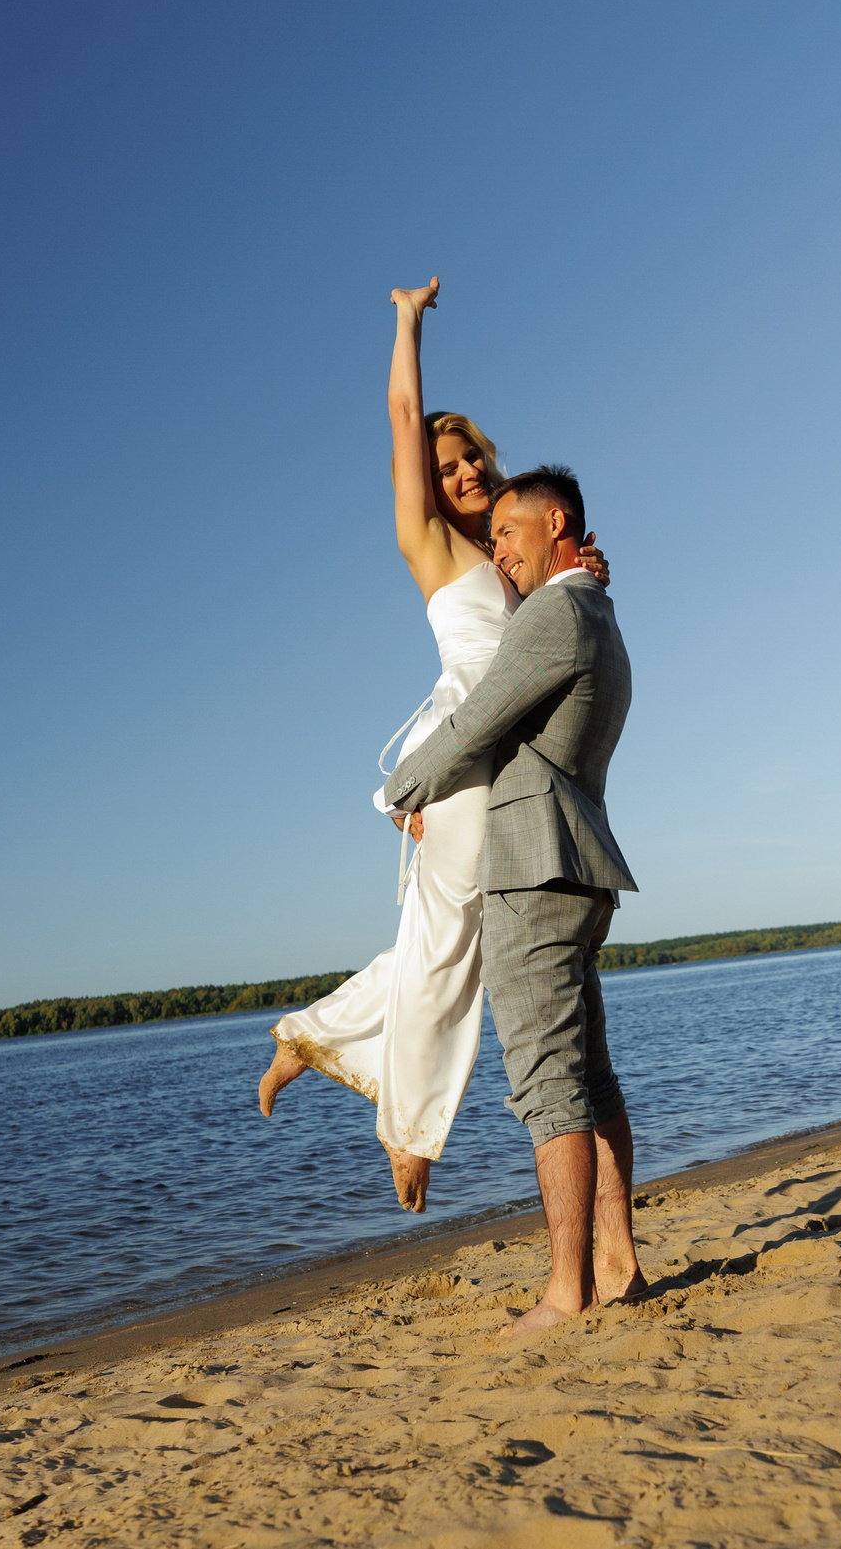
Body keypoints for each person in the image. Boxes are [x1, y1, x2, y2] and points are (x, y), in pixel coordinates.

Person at [257, 279, 604, 1213]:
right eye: (445, 465)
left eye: (471, 461)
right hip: (458, 762)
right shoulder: (431, 549)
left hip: (494, 762)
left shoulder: (508, 554)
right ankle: (408, 1134)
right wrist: (408, 319)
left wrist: (589, 566)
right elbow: (405, 413)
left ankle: (309, 1036)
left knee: (438, 939)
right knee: (454, 947)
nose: (461, 476)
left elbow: (558, 613)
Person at [384, 464, 642, 1331]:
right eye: (489, 535)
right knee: (591, 1078)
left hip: (534, 869)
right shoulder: (599, 612)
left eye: (508, 532)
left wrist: (401, 790)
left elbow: (475, 721)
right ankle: (618, 1265)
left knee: (548, 1085)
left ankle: (567, 1291)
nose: (498, 551)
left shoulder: (557, 613)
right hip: (578, 860)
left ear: (557, 525)